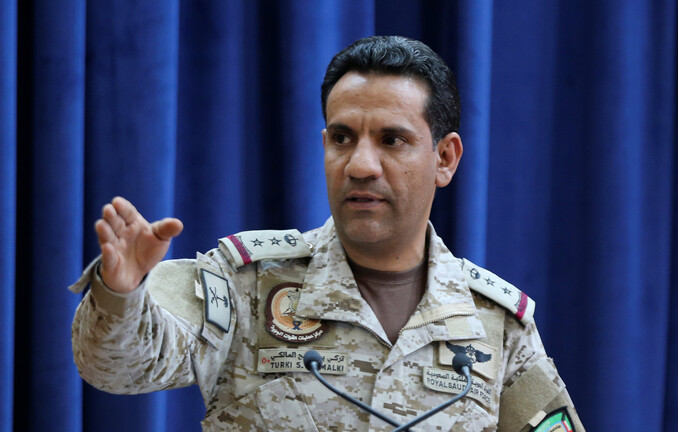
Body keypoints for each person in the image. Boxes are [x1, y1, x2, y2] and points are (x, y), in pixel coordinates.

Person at [70, 35, 584, 432]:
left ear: (444, 158)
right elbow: (119, 366)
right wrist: (122, 293)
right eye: (342, 138)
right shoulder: (245, 281)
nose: (360, 165)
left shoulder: (493, 324)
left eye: (392, 140)